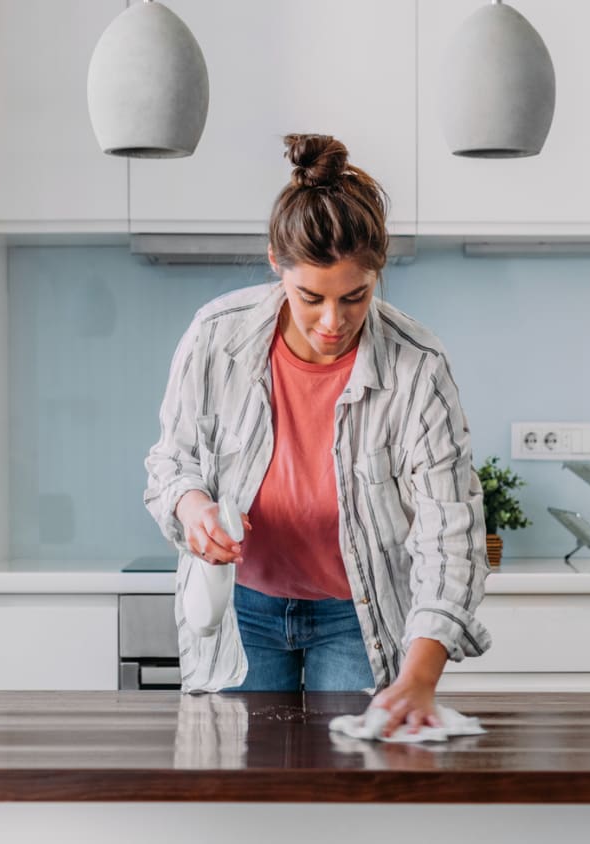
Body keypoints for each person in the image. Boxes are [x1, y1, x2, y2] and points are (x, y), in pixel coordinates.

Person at [143, 133, 490, 736]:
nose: (333, 322)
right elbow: (171, 462)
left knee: (350, 800)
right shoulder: (216, 338)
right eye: (311, 298)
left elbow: (451, 532)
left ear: (378, 274)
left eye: (355, 296)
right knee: (241, 799)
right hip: (242, 609)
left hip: (355, 615)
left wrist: (421, 673)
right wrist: (193, 506)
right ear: (277, 264)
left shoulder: (418, 367)